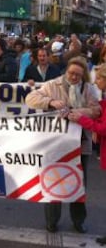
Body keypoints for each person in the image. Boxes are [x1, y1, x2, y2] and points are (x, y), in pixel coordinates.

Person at [25, 56, 101, 233]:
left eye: (78, 75)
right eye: (71, 73)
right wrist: (50, 102)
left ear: (83, 76)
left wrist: (76, 113)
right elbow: (31, 99)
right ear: (66, 71)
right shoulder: (53, 84)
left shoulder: (88, 89)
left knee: (79, 184)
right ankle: (52, 221)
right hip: (57, 145)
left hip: (80, 145)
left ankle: (78, 221)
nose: (74, 77)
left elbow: (96, 110)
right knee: (54, 181)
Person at [67, 63, 106, 244]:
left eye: (99, 78)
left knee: (81, 183)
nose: (96, 81)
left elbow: (102, 124)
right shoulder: (102, 97)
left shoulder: (93, 92)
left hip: (85, 144)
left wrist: (81, 118)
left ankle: (81, 221)